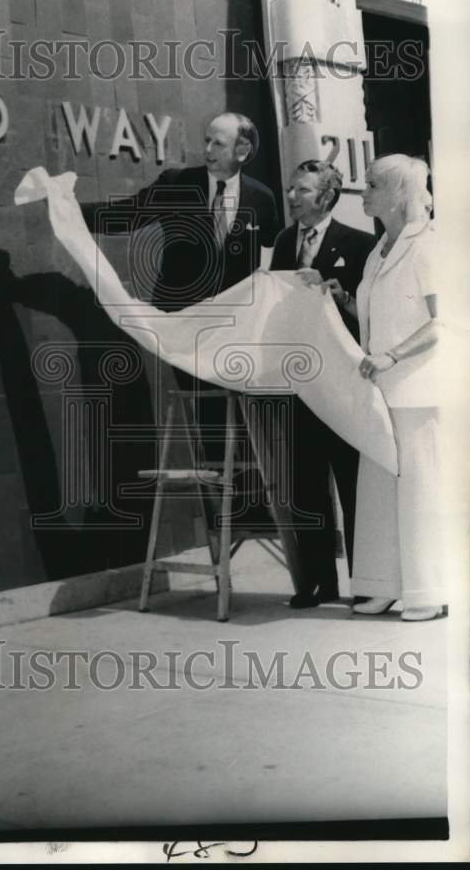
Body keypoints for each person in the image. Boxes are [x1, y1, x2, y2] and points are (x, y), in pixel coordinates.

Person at [80, 112, 280, 463]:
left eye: (217, 142)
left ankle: (250, 507)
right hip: (184, 325)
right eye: (207, 140)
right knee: (209, 420)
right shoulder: (176, 183)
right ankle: (225, 506)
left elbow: (273, 263)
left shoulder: (262, 200)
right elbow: (128, 214)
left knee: (249, 423)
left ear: (243, 149)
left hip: (236, 328)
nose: (207, 149)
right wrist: (70, 209)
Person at [320, 154, 442, 621]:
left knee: (420, 491)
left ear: (396, 194)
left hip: (419, 391)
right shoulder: (379, 251)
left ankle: (430, 590)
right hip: (380, 394)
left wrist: (393, 356)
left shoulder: (429, 245)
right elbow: (380, 321)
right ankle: (382, 586)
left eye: (371, 184)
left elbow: (445, 321)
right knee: (377, 493)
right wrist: (342, 300)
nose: (362, 190)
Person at [270, 160, 376, 609]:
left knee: (352, 483)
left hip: (343, 386)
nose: (293, 197)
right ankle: (318, 581)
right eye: (291, 188)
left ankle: (368, 581)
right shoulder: (281, 243)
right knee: (306, 484)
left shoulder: (361, 245)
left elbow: (370, 321)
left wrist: (340, 298)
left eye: (304, 190)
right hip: (299, 386)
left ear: (328, 197)